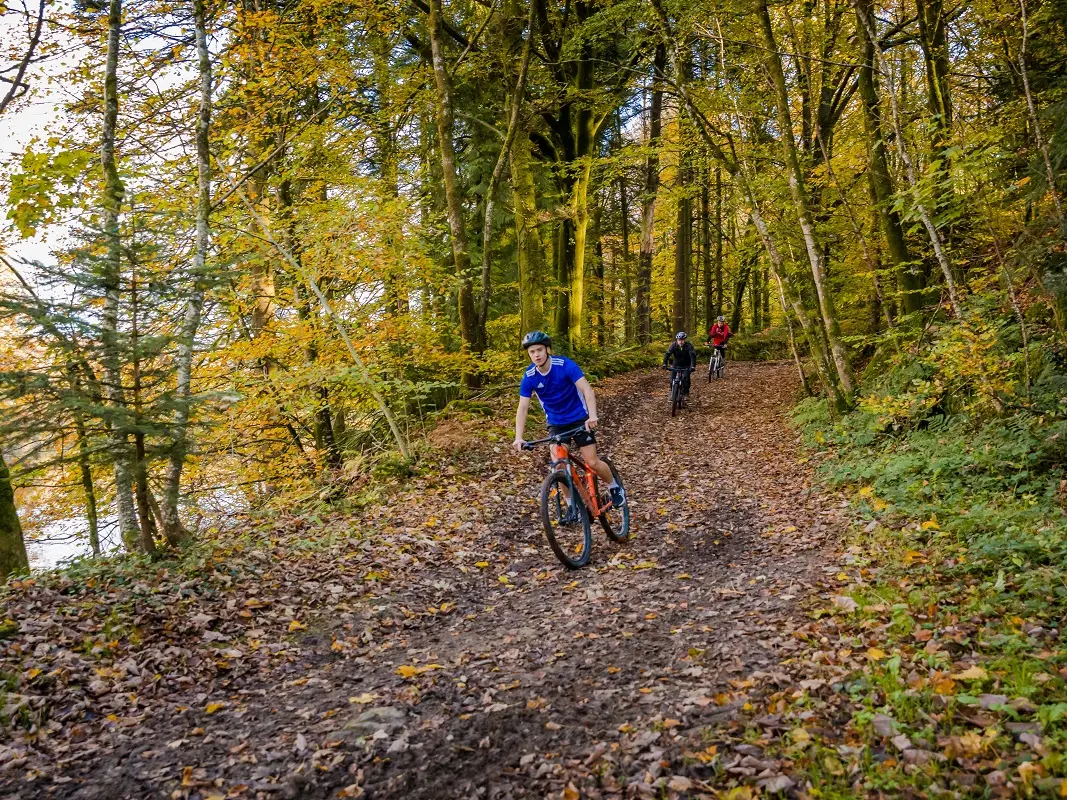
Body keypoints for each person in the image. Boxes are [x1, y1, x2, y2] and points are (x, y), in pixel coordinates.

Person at [513, 331, 625, 507]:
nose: (536, 355)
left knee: (592, 462)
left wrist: (592, 415)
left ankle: (614, 487)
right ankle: (572, 505)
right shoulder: (529, 376)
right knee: (559, 466)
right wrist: (518, 437)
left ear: (547, 349)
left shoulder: (565, 365)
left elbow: (587, 390)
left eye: (540, 350)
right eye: (532, 352)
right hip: (556, 423)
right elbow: (523, 407)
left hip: (579, 418)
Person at [662, 331, 697, 400]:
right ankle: (672, 392)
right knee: (672, 379)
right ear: (677, 340)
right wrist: (664, 363)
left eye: (682, 340)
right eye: (679, 340)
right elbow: (667, 354)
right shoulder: (673, 345)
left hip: (686, 365)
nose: (681, 342)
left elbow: (692, 356)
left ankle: (686, 393)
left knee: (686, 379)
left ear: (685, 340)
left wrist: (693, 366)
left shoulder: (689, 346)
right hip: (676, 365)